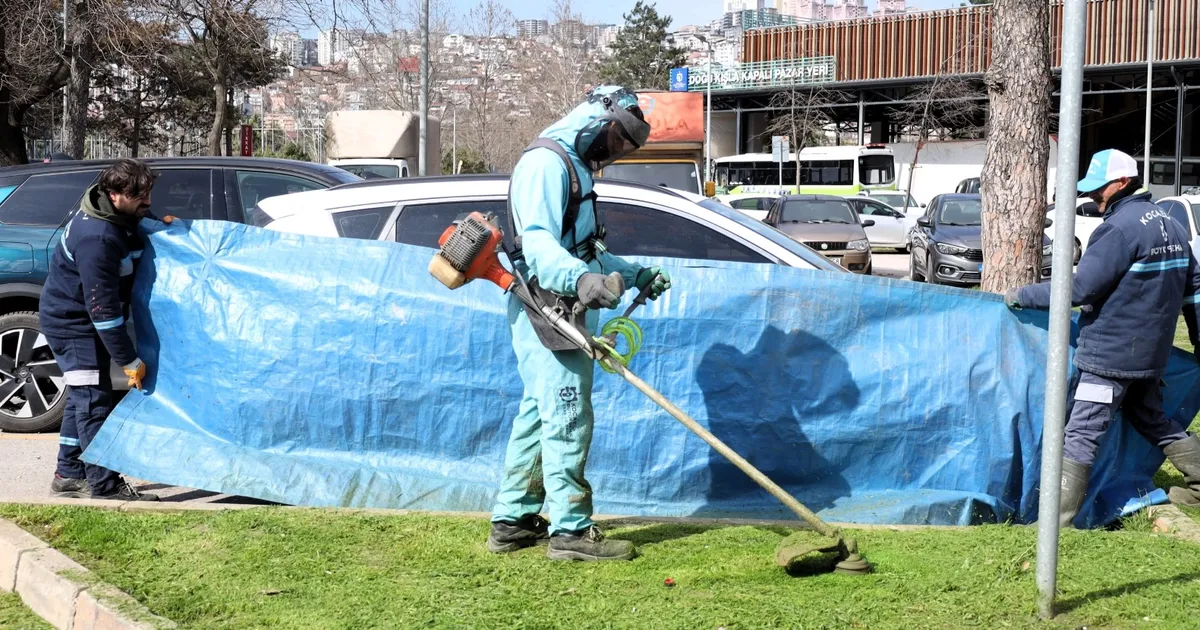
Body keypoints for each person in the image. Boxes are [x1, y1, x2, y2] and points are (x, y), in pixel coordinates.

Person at [487, 86, 672, 561]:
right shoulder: (546, 163)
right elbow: (541, 246)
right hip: (546, 304)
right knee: (568, 413)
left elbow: (588, 249)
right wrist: (580, 280)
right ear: (596, 117)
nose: (613, 153)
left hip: (559, 300)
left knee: (539, 412)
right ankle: (570, 531)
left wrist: (631, 276)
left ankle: (512, 520)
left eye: (623, 148)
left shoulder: (573, 165)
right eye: (615, 140)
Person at [1006, 148, 1200, 526]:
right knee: (1152, 418)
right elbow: (1194, 287)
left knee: (1081, 432)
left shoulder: (1117, 230)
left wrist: (1022, 294)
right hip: (1149, 357)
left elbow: (1078, 289)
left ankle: (1055, 525)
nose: (1093, 197)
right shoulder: (1171, 223)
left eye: (1099, 189)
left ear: (1123, 182)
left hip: (1110, 358)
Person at [41, 158, 174, 502]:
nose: (147, 200)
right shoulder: (97, 238)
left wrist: (162, 225)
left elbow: (135, 228)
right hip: (75, 325)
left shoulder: (114, 214)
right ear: (114, 194)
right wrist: (128, 360)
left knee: (84, 399)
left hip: (82, 320)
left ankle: (68, 474)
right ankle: (105, 486)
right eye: (138, 195)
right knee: (93, 402)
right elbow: (102, 311)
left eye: (148, 192)